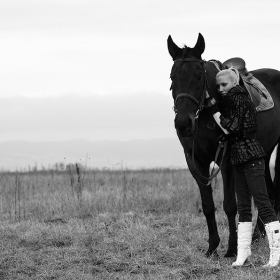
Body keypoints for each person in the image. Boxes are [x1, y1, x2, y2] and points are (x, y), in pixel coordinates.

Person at [207, 68, 280, 268]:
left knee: (263, 204)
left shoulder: (239, 99)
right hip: (239, 158)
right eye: (218, 86)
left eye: (225, 85)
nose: (221, 89)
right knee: (244, 207)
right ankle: (243, 254)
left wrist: (215, 112)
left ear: (235, 83)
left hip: (252, 157)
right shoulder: (230, 101)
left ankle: (275, 255)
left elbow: (231, 128)